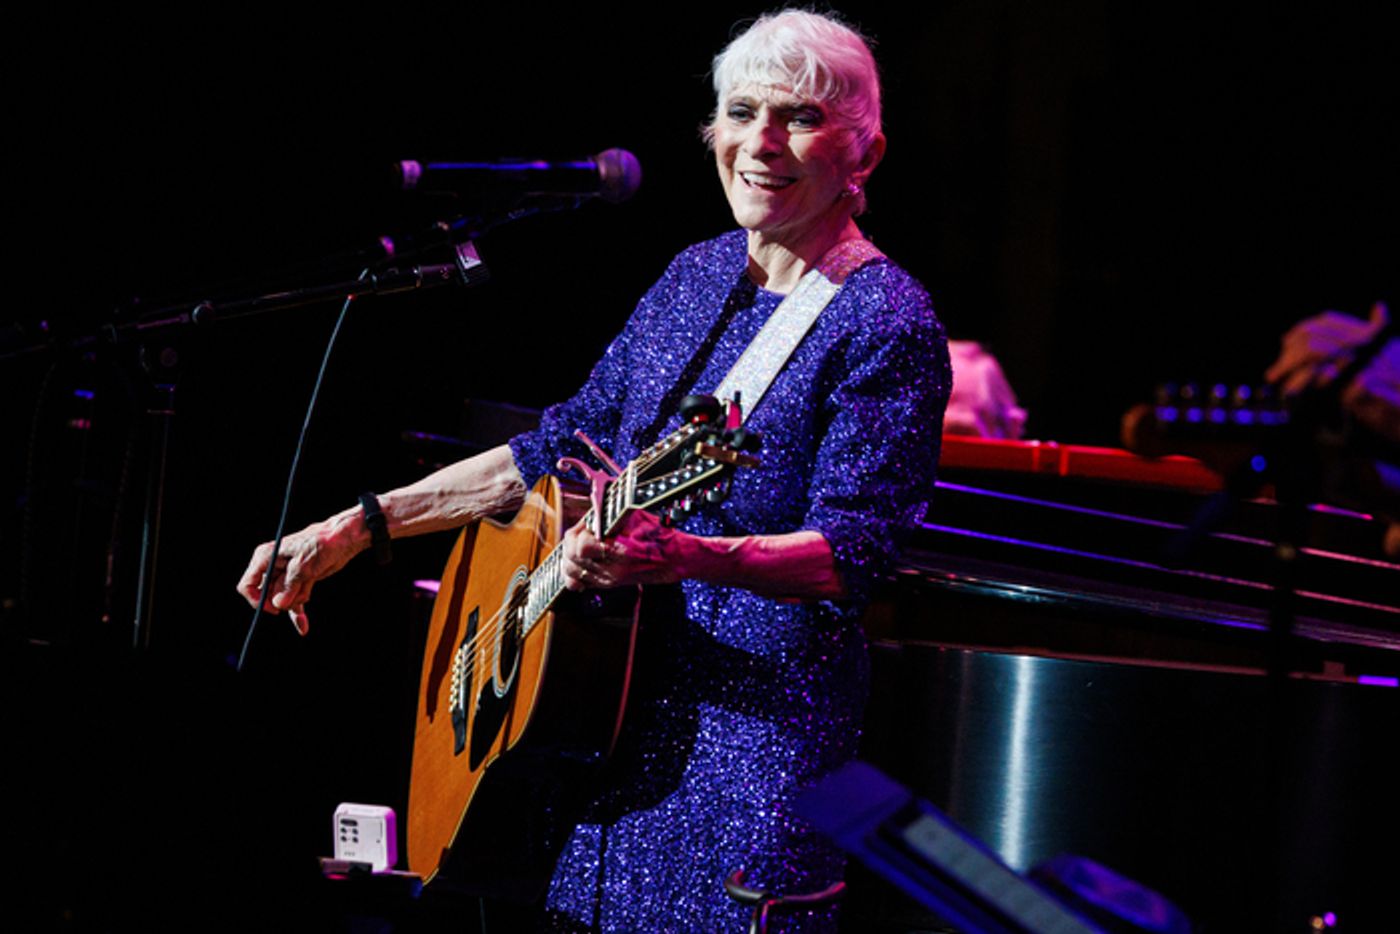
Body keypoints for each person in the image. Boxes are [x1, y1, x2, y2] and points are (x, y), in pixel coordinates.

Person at [238, 9, 950, 931]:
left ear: (868, 154)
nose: (763, 143)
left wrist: (687, 556)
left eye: (802, 119)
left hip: (750, 753)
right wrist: (359, 525)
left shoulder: (884, 320)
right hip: (600, 737)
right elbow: (555, 448)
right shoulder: (693, 275)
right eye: (742, 113)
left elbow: (852, 555)